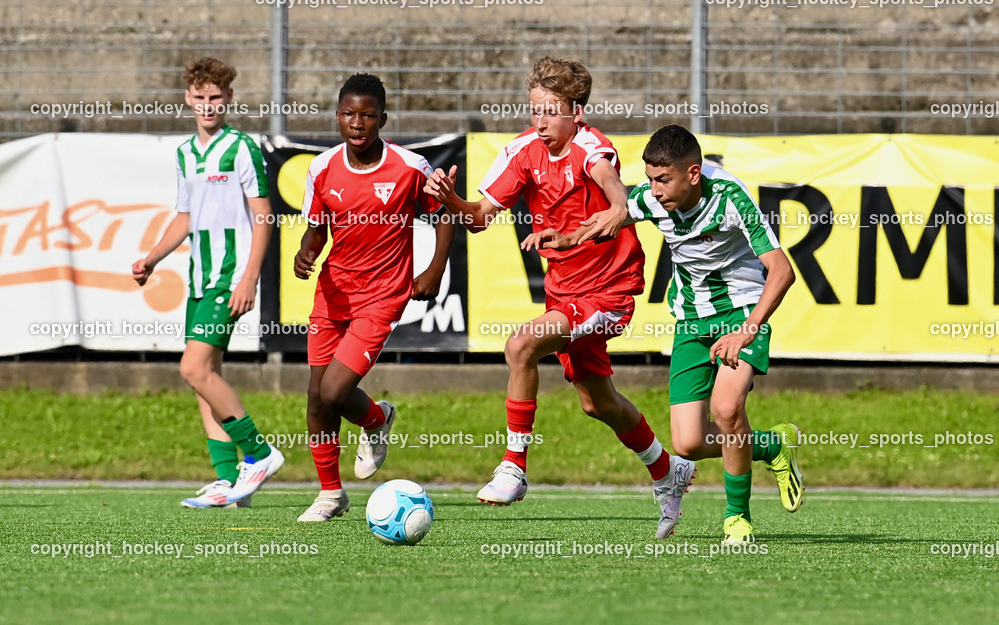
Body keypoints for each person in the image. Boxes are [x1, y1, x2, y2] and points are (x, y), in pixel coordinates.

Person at [425, 57, 695, 539]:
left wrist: (608, 216)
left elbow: (617, 195)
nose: (541, 121)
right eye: (535, 111)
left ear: (577, 111)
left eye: (552, 111)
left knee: (521, 345)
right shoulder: (522, 152)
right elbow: (480, 216)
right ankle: (666, 470)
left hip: (610, 293)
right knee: (599, 404)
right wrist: (450, 200)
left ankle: (513, 467)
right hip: (565, 295)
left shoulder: (593, 149)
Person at [524, 124, 803, 545]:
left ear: (693, 174)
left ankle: (737, 519)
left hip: (742, 313)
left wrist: (747, 331)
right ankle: (772, 445)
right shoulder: (653, 198)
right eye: (650, 179)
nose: (653, 190)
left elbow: (782, 271)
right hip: (691, 322)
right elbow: (613, 216)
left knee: (727, 410)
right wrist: (566, 239)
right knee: (688, 444)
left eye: (663, 179)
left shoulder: (730, 198)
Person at [293, 73, 454, 522]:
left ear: (383, 118)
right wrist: (307, 248)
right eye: (348, 114)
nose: (357, 123)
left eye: (367, 115)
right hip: (333, 293)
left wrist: (434, 269)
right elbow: (316, 225)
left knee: (335, 390)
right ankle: (330, 495)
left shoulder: (410, 167)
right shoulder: (322, 167)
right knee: (316, 398)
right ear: (337, 117)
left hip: (383, 295)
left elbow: (445, 216)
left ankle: (376, 420)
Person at [132, 56, 283, 508]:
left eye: (216, 97)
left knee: (192, 368)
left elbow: (264, 217)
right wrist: (153, 259)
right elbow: (184, 216)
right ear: (188, 99)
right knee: (205, 376)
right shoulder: (184, 154)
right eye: (200, 98)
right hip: (199, 278)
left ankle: (259, 452)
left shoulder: (242, 148)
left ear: (229, 98)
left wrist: (249, 277)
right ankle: (227, 480)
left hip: (228, 277)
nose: (208, 105)